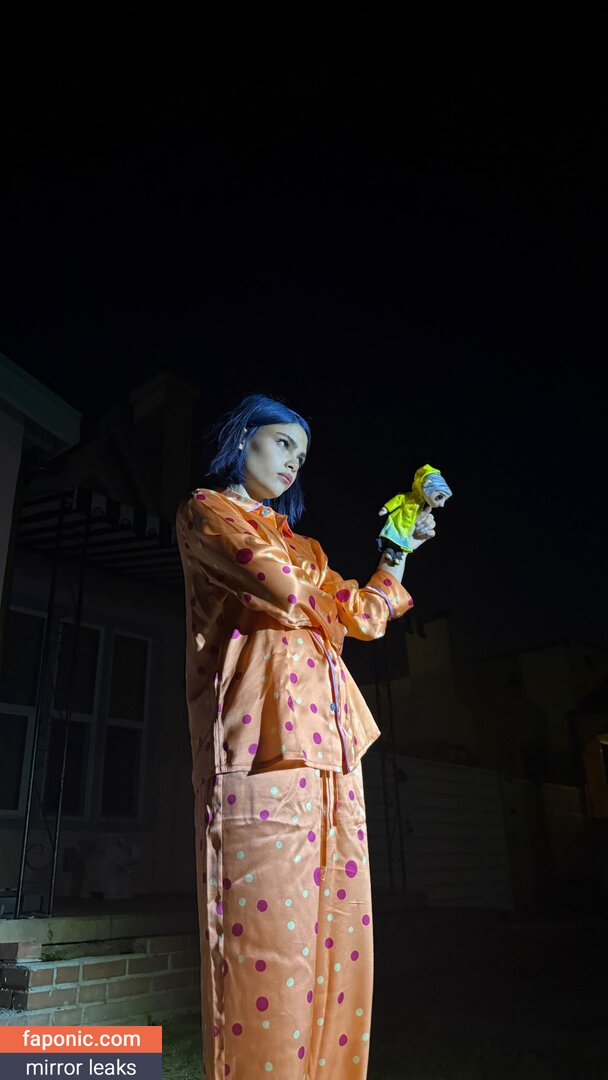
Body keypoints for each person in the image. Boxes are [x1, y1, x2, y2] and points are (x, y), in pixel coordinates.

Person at [176, 393, 439, 1079]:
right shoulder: (207, 511)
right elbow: (283, 591)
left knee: (337, 950)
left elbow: (366, 616)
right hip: (259, 751)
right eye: (282, 442)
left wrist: (396, 549)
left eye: (303, 453)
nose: (294, 461)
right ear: (243, 438)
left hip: (333, 751)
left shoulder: (304, 547)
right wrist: (338, 602)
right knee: (266, 959)